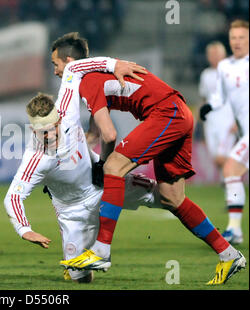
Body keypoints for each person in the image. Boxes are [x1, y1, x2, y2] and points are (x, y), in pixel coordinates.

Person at [51, 32, 245, 285]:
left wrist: (103, 166)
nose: (55, 72)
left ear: (68, 62)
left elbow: (109, 134)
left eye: (55, 64)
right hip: (177, 112)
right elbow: (97, 134)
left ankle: (101, 250)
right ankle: (229, 255)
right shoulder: (96, 78)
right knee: (171, 197)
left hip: (166, 114)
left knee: (114, 166)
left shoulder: (86, 81)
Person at [4, 91, 164, 283]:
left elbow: (75, 69)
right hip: (74, 212)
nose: (50, 135)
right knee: (80, 277)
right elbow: (13, 197)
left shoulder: (68, 114)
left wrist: (112, 68)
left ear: (59, 120)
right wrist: (24, 229)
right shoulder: (36, 159)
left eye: (53, 128)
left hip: (104, 182)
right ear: (33, 130)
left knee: (167, 197)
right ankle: (76, 265)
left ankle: (210, 238)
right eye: (43, 132)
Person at [200, 20, 249, 246]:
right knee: (231, 170)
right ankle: (235, 230)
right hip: (244, 130)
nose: (237, 42)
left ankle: (235, 230)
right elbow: (219, 97)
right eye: (233, 38)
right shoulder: (225, 67)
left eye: (241, 37)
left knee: (230, 168)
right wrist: (207, 107)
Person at [198, 41, 237, 176]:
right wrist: (201, 120)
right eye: (211, 54)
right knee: (216, 157)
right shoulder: (205, 74)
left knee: (222, 157)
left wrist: (237, 121)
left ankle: (231, 182)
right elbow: (204, 99)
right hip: (211, 121)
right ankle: (227, 183)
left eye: (217, 54)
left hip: (227, 120)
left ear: (224, 54)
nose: (214, 57)